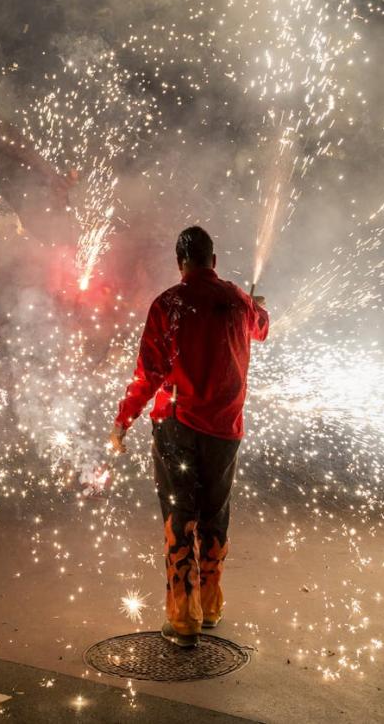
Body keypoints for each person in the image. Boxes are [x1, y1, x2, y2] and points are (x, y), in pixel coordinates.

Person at [109, 226, 269, 649]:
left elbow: (149, 372)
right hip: (225, 428)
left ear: (180, 264)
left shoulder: (169, 304)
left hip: (177, 426)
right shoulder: (237, 299)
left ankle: (184, 618)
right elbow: (262, 328)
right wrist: (257, 307)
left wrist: (124, 419)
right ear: (213, 261)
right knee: (215, 514)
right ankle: (211, 605)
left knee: (180, 517)